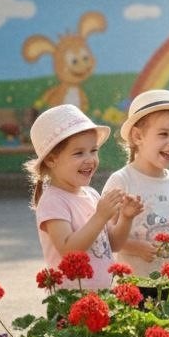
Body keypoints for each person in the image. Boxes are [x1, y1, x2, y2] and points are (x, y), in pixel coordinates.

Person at [24, 104, 140, 289]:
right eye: (79, 153)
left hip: (102, 297)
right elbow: (69, 250)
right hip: (72, 301)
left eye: (93, 150)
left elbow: (114, 244)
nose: (90, 159)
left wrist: (126, 217)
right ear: (52, 159)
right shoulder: (53, 201)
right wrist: (100, 216)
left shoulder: (92, 195)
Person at [102, 90, 169, 274]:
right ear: (138, 137)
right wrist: (135, 246)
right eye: (164, 134)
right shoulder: (122, 180)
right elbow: (104, 234)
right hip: (132, 286)